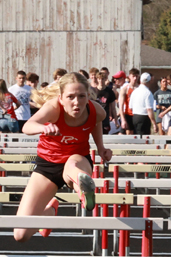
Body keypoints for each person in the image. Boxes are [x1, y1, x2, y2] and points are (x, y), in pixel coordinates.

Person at [13, 72, 112, 242]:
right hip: (47, 166)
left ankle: (82, 187)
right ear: (61, 97)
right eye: (71, 97)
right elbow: (27, 126)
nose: (77, 103)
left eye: (82, 97)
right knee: (20, 235)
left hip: (78, 160)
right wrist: (43, 128)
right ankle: (51, 211)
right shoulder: (53, 108)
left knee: (72, 165)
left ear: (88, 96)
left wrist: (101, 148)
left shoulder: (96, 110)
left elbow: (95, 121)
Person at [117, 69, 139, 135]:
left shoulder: (140, 88)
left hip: (137, 114)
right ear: (129, 76)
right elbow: (121, 106)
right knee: (129, 135)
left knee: (137, 136)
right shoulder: (125, 89)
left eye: (136, 76)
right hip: (128, 114)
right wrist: (123, 120)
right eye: (133, 76)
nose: (135, 78)